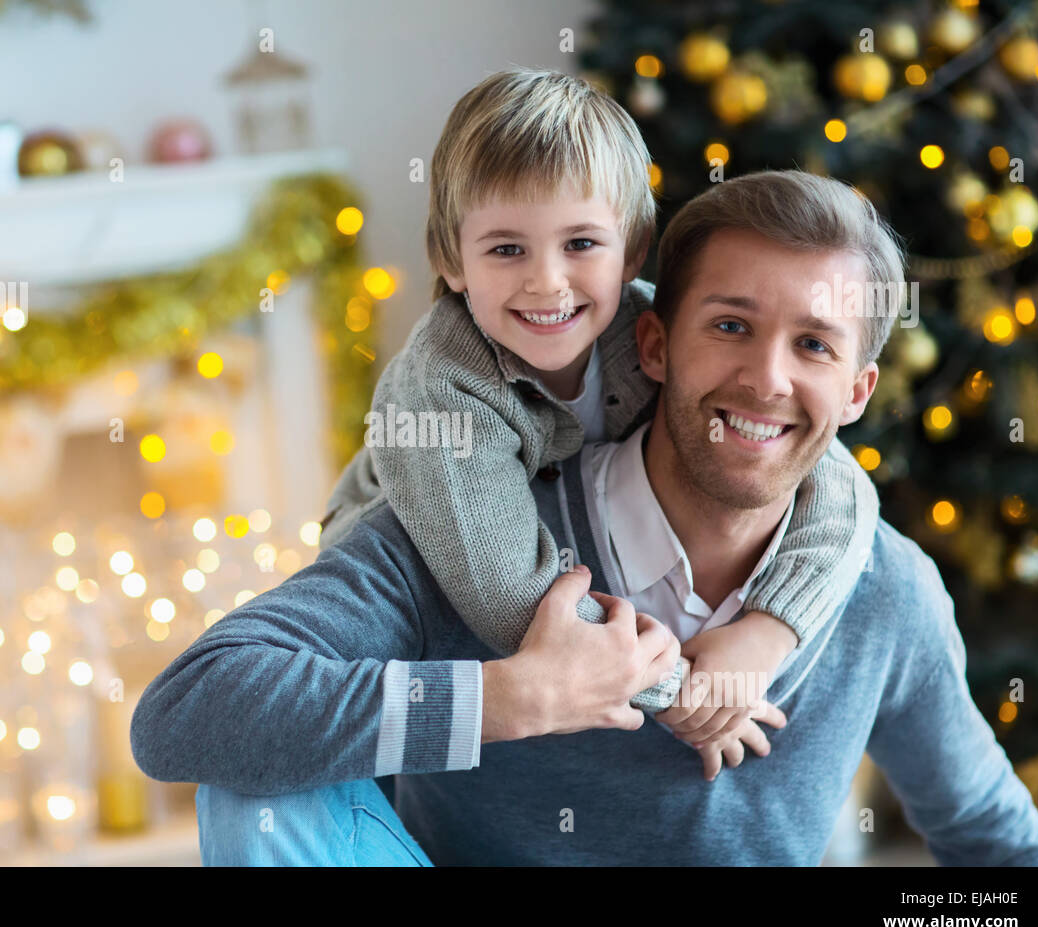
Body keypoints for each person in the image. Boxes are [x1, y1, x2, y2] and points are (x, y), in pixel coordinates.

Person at [130, 169, 1038, 867]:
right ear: (653, 344)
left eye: (812, 344)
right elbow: (185, 712)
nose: (768, 380)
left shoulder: (884, 592)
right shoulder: (463, 533)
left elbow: (995, 845)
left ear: (857, 390)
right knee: (251, 796)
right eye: (730, 326)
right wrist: (511, 700)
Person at [318, 67, 878, 744]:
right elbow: (514, 599)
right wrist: (686, 696)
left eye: (581, 244)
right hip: (419, 549)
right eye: (505, 249)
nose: (547, 282)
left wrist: (766, 633)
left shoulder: (653, 330)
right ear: (452, 260)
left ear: (632, 249)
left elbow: (836, 478)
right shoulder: (442, 394)